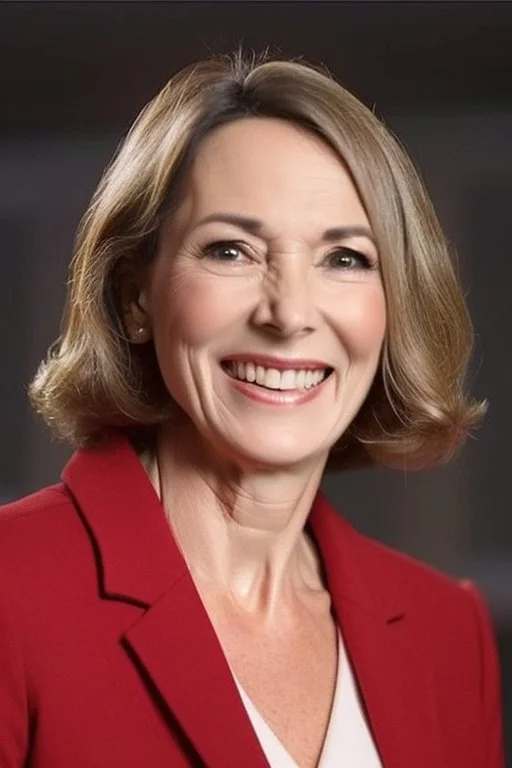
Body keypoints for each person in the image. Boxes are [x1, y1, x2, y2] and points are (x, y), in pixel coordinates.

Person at [0, 51, 504, 768]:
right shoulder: (10, 591)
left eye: (346, 258)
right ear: (137, 295)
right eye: (231, 250)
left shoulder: (446, 633)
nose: (290, 313)